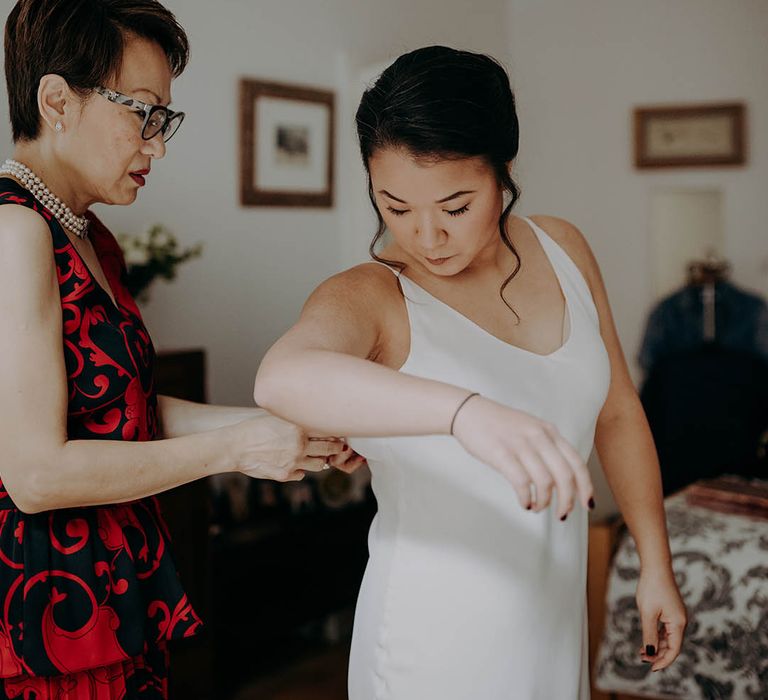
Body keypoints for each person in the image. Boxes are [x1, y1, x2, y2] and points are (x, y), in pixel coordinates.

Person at [254, 46, 687, 699]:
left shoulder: (562, 248)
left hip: (552, 617)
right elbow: (281, 378)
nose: (426, 237)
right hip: (430, 641)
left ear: (503, 172)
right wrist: (466, 412)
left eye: (455, 207)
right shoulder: (372, 294)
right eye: (395, 207)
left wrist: (655, 562)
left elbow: (619, 412)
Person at [0, 1, 360, 697]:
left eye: (164, 118)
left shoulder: (85, 233)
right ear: (55, 100)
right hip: (49, 611)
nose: (157, 144)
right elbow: (35, 474)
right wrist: (234, 451)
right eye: (142, 112)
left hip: (107, 585)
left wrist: (280, 430)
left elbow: (120, 408)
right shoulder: (14, 233)